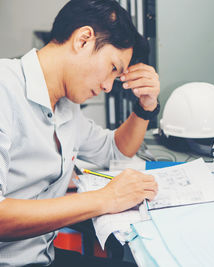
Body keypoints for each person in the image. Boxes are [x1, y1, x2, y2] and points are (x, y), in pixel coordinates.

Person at [0, 0, 160, 266]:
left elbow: (115, 150)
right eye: (112, 68)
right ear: (83, 40)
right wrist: (107, 198)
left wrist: (146, 107)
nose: (109, 86)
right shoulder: (4, 90)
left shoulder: (66, 107)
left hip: (43, 257)